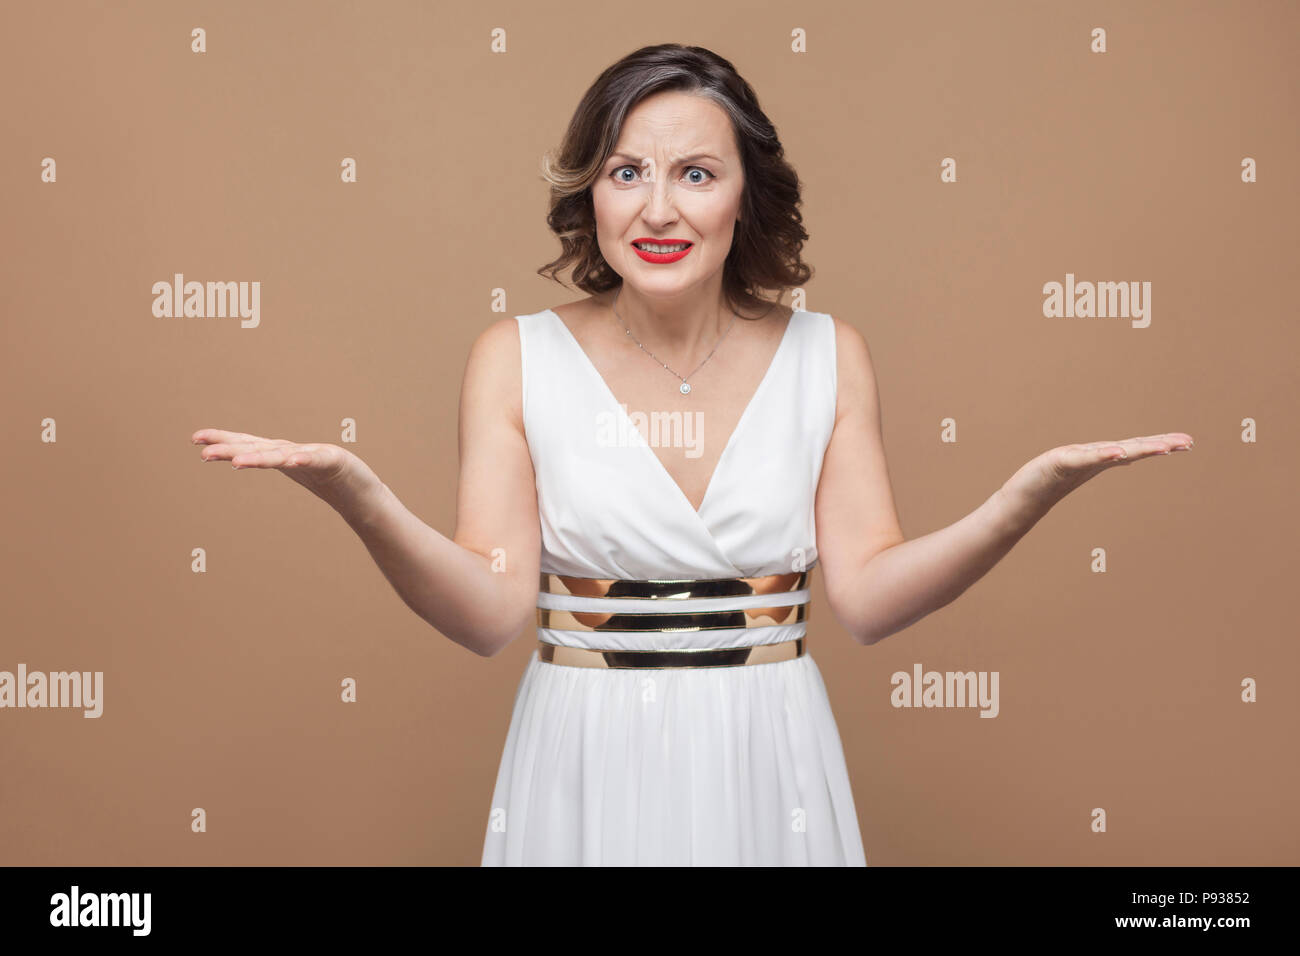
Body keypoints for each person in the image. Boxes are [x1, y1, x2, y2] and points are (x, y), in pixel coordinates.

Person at [190, 44, 1192, 866]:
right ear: (590, 194)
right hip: (581, 755)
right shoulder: (514, 357)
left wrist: (1027, 496)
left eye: (694, 173)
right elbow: (489, 613)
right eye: (626, 172)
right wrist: (356, 495)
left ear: (744, 197)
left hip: (769, 754)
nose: (656, 209)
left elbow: (871, 597)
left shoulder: (825, 355)